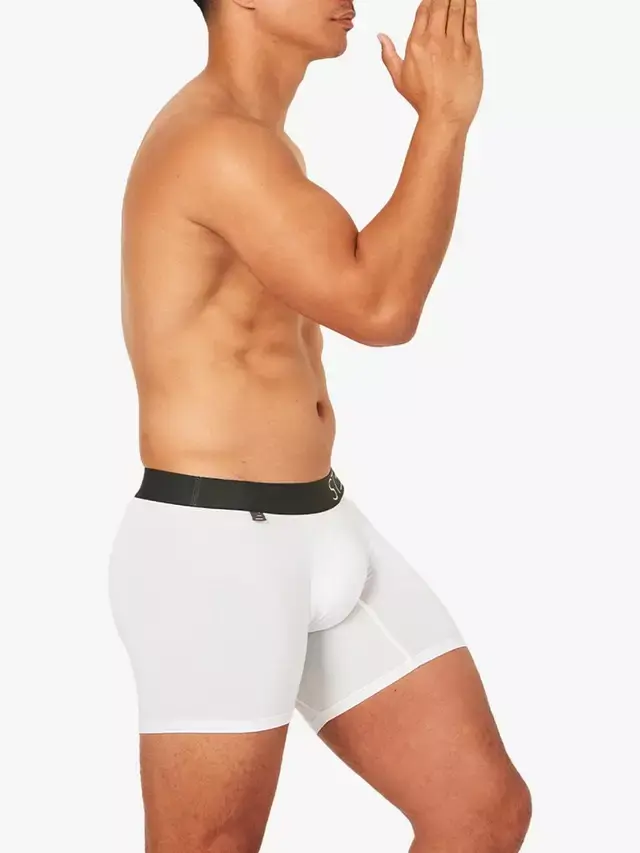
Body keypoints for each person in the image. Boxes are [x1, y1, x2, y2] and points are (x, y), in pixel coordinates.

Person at [107, 0, 532, 850]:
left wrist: (444, 121)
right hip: (214, 552)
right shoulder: (215, 143)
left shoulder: (265, 144)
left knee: (480, 812)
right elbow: (379, 304)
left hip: (321, 521)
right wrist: (444, 120)